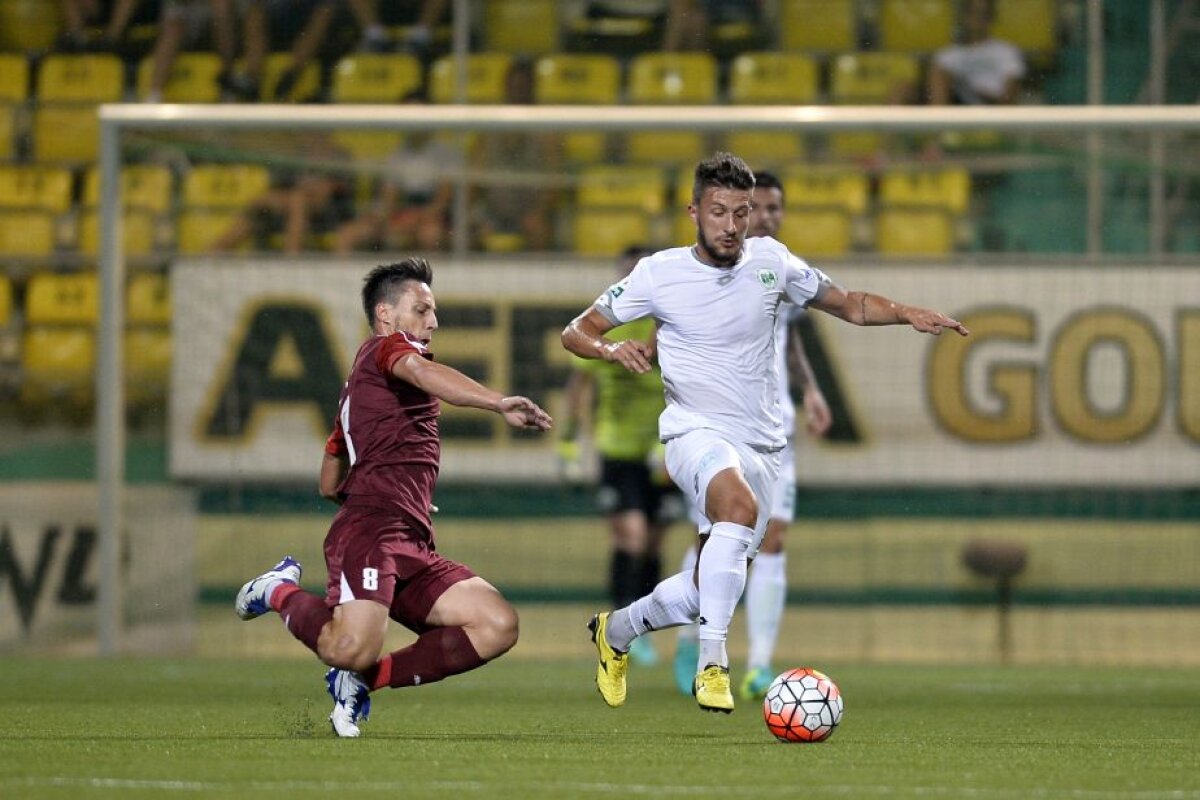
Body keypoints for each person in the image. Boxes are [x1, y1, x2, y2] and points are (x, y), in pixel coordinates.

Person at [562, 152, 968, 714]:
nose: (730, 225)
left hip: (762, 443)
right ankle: (713, 665)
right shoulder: (659, 273)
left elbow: (849, 303)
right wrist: (611, 347)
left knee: (711, 584)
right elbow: (577, 331)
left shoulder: (773, 262)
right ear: (693, 212)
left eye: (741, 212)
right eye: (718, 211)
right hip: (692, 432)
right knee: (735, 507)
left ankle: (618, 630)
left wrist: (908, 312)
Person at [235, 258, 553, 737]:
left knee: (496, 624)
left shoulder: (363, 391)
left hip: (410, 539)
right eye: (422, 309)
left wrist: (381, 489)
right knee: (348, 646)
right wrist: (496, 402)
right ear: (386, 315)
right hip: (375, 532)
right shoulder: (390, 350)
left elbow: (327, 483)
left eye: (434, 311)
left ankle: (362, 682)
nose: (433, 321)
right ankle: (278, 590)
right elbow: (424, 376)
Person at [671, 169, 834, 700]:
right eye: (756, 208)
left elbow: (787, 343)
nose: (765, 217)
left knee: (773, 539)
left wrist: (809, 391)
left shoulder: (777, 265)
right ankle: (693, 640)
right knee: (722, 540)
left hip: (775, 429)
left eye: (773, 209)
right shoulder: (706, 269)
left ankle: (760, 664)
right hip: (721, 429)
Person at [559, 245, 682, 666]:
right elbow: (579, 387)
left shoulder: (670, 326)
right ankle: (621, 625)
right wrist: (569, 443)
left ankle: (640, 623)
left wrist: (673, 441)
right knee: (629, 534)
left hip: (663, 452)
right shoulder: (605, 329)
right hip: (618, 450)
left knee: (653, 541)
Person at [927, 0, 1026, 107]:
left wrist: (974, 93)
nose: (978, 18)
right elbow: (937, 103)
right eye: (973, 12)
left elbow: (1010, 98)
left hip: (997, 114)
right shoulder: (945, 56)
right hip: (958, 116)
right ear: (963, 16)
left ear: (992, 17)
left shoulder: (1007, 51)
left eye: (984, 13)